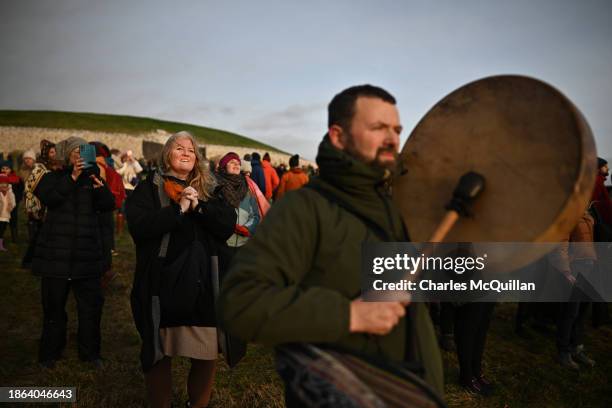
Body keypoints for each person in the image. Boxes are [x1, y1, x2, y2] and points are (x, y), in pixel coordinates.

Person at [218, 85, 444, 404]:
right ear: (338, 136)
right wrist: (348, 315)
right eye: (378, 128)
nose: (393, 138)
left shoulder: (394, 205)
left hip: (412, 389)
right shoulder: (305, 208)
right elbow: (240, 302)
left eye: (396, 129)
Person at [126, 131, 236, 408]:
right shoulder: (150, 188)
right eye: (179, 148)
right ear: (167, 155)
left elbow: (226, 226)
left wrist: (199, 207)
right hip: (164, 285)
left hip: (204, 285)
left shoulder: (210, 190)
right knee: (161, 351)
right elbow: (139, 227)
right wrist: (178, 211)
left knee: (206, 351)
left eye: (191, 149)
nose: (186, 152)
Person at [33, 136, 116, 368]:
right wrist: (72, 177)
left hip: (86, 256)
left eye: (84, 151)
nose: (80, 155)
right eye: (76, 151)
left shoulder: (93, 179)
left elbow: (109, 204)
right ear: (67, 155)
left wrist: (101, 189)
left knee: (90, 309)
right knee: (53, 309)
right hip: (56, 257)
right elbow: (49, 198)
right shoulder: (52, 178)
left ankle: (90, 354)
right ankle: (50, 353)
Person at [555, 209, 597, 370]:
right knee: (570, 312)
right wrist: (566, 270)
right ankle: (563, 352)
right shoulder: (569, 213)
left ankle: (576, 347)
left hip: (588, 267)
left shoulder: (587, 215)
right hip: (574, 267)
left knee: (581, 312)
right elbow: (561, 243)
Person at [216, 152, 267, 252]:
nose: (236, 164)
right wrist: (229, 226)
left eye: (238, 163)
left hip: (243, 244)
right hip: (222, 244)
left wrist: (247, 229)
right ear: (224, 166)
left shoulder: (246, 187)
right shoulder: (215, 185)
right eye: (232, 162)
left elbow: (255, 215)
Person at [22, 140, 58, 269]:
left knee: (44, 236)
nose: (55, 154)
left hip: (50, 207)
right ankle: (29, 261)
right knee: (39, 236)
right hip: (39, 208)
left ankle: (38, 261)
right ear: (46, 154)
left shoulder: (54, 167)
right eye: (52, 152)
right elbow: (29, 188)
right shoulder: (39, 168)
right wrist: (33, 208)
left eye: (56, 151)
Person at [0, 160, 23, 242]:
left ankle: (15, 237)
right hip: (2, 204)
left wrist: (18, 199)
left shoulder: (16, 179)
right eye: (3, 168)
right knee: (2, 222)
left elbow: (21, 189)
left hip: (13, 203)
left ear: (11, 169)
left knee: (13, 220)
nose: (5, 170)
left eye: (7, 168)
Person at [0, 174, 16, 251]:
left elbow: (13, 203)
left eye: (4, 183)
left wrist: (10, 207)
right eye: (1, 183)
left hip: (5, 215)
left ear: (7, 184)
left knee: (2, 231)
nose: (3, 185)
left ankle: (0, 245)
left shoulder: (10, 192)